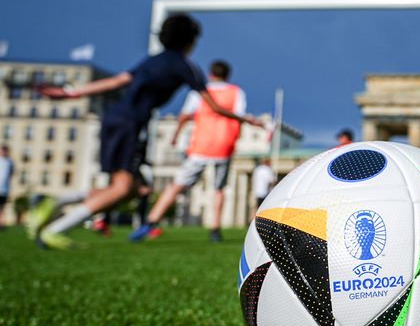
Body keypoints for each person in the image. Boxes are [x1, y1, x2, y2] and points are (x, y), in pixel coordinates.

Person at [28, 13, 261, 249]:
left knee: (132, 188)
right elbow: (215, 107)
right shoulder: (186, 66)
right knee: (122, 188)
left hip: (114, 117)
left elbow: (118, 80)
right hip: (131, 123)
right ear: (190, 41)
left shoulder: (153, 60)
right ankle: (54, 229)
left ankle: (55, 201)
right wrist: (249, 121)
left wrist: (71, 92)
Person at [131, 60, 258, 243]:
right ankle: (215, 229)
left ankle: (151, 221)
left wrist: (176, 134)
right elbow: (238, 115)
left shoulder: (200, 91)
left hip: (201, 145)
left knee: (177, 185)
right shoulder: (236, 92)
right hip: (224, 144)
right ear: (227, 75)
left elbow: (185, 115)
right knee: (218, 189)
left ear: (211, 74)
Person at [0, 145, 12, 230]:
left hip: (4, 190)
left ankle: (2, 223)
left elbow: (11, 174)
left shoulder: (10, 162)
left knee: (2, 207)